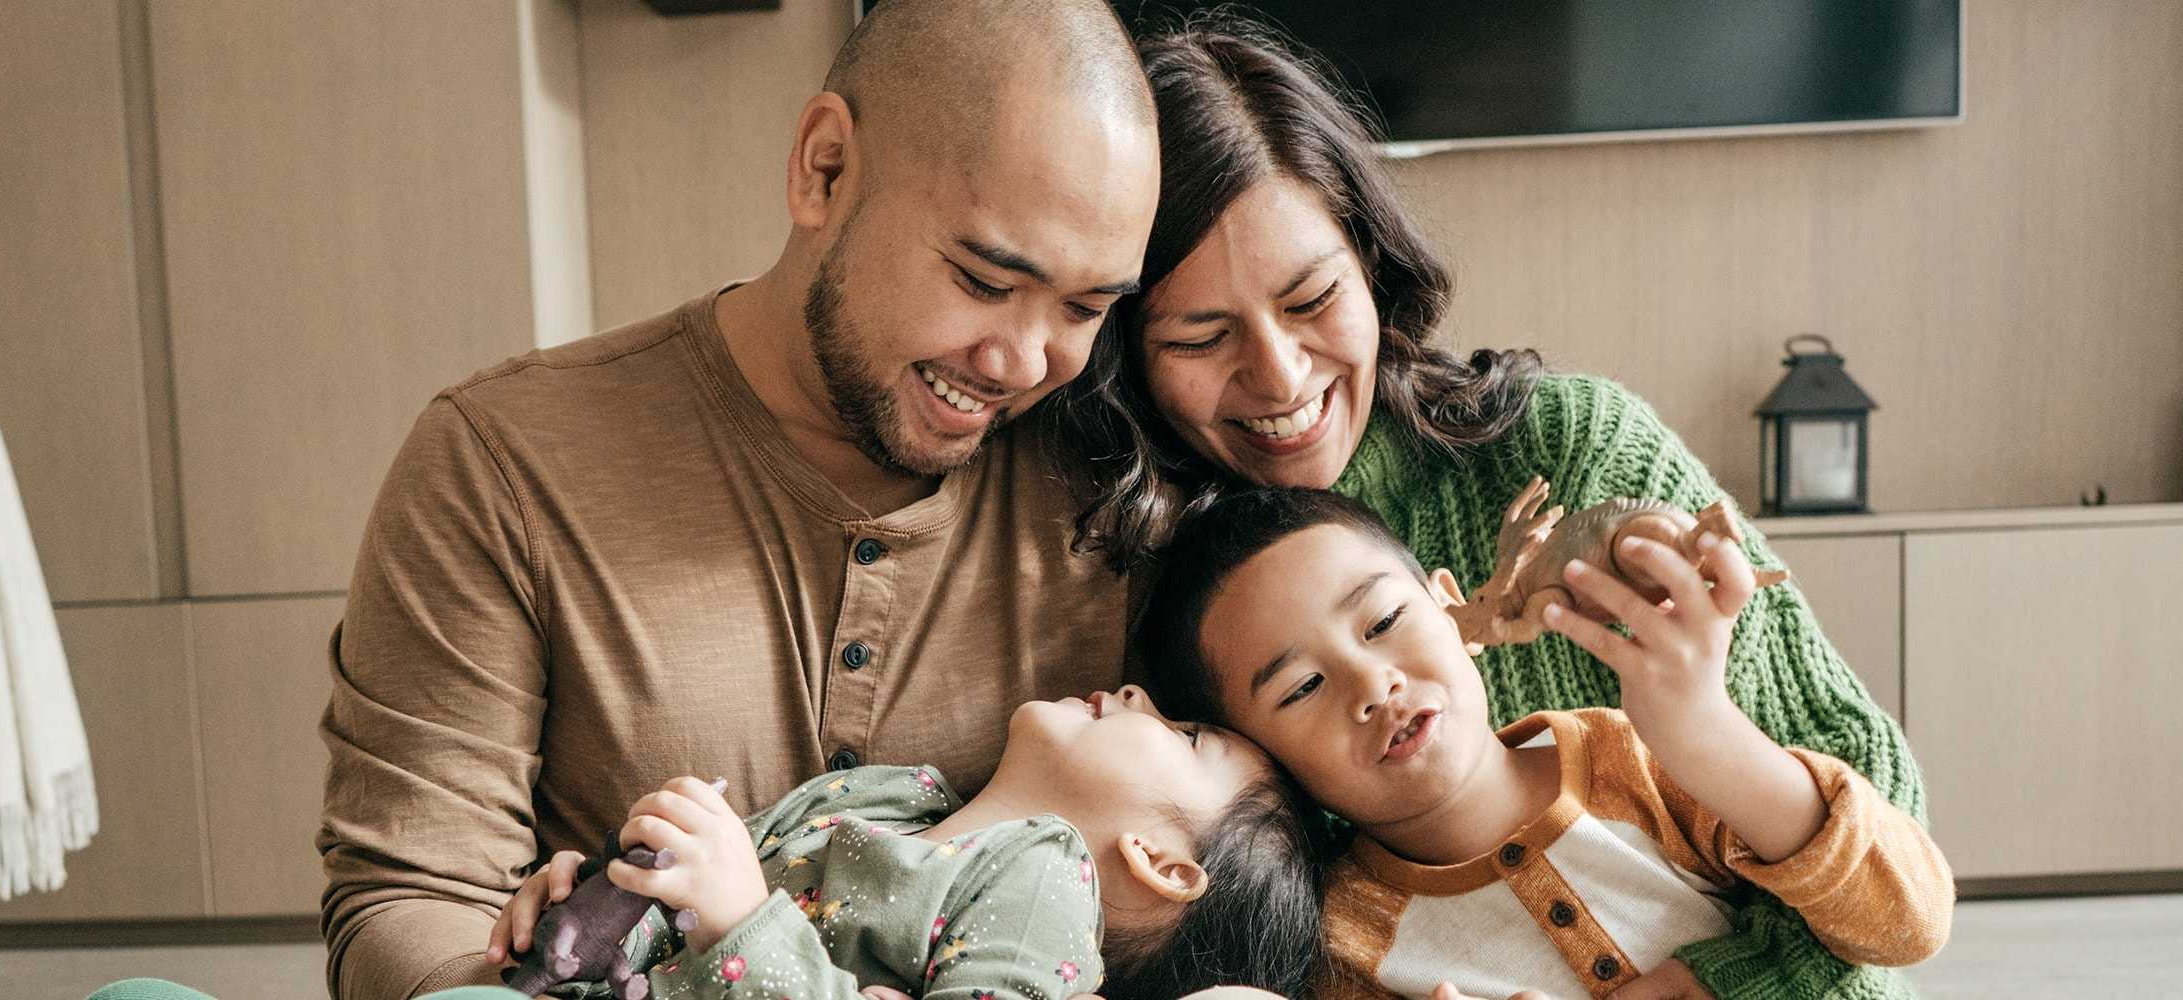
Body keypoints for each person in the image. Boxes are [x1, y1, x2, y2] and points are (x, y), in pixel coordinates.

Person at [1050, 14, 1931, 999]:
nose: (1281, 373)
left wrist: (1711, 984)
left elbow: (1875, 832)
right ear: (1123, 350)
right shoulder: (1130, 586)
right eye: (1201, 336)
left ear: (1369, 262)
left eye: (1310, 300)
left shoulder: (1567, 448)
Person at [315, 2, 1163, 997]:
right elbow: (408, 895)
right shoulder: (504, 462)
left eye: (1085, 309)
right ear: (824, 168)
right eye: (983, 279)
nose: (1023, 361)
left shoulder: (1115, 504)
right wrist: (524, 961)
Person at [1137, 489, 1953, 1000]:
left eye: (1384, 622)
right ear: (1261, 756)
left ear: (1457, 610)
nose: (1373, 684)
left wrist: (1707, 735)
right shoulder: (1342, 946)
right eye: (1301, 689)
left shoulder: (1641, 761)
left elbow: (1906, 923)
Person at [484, 685, 1326, 1000]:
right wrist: (597, 901)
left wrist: (743, 919)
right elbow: (676, 920)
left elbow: (729, 921)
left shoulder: (1044, 886)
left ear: (1160, 862)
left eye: (1180, 732)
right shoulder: (891, 797)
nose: (1140, 691)